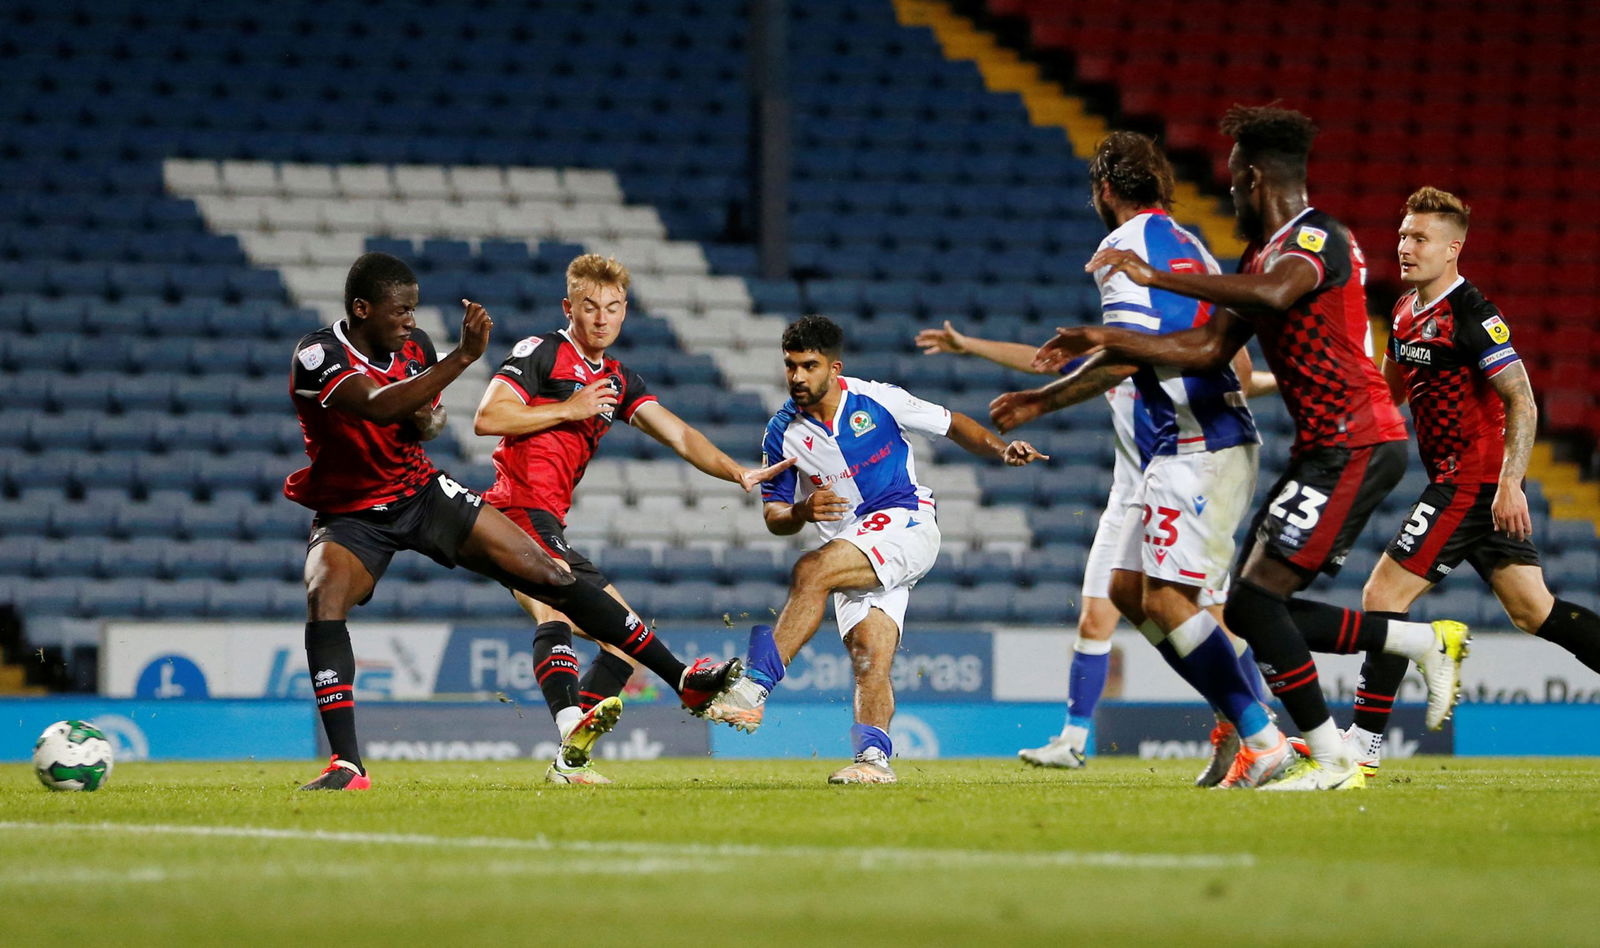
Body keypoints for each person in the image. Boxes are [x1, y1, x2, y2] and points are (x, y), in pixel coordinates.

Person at [1048, 105, 1468, 790]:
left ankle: (1330, 760)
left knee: (1254, 603)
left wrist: (1158, 278)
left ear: (1253, 177)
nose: (1232, 193)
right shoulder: (1258, 258)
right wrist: (1106, 341)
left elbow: (1276, 294)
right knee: (1249, 605)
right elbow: (1211, 349)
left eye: (1236, 180)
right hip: (1322, 448)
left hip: (1360, 438)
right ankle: (1415, 645)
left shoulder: (1317, 239)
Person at [285, 252, 741, 790]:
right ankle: (347, 764)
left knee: (553, 579)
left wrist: (430, 420)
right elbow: (382, 406)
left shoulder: (417, 349)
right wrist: (464, 357)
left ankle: (671, 685)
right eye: (400, 311)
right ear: (361, 309)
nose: (411, 321)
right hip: (352, 511)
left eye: (413, 309)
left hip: (419, 492)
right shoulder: (318, 354)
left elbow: (420, 417)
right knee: (324, 595)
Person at [987, 130, 1292, 788]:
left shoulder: (1121, 249)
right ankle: (1245, 718)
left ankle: (1262, 733)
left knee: (1170, 601)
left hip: (1198, 445)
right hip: (1187, 445)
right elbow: (1216, 346)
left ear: (1103, 191)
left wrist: (1042, 401)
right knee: (1128, 591)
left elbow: (1127, 353)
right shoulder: (1186, 243)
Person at [916, 295, 1276, 783]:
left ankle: (1254, 722)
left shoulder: (1169, 354)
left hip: (1182, 488)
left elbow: (1236, 382)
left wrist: (1283, 384)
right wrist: (970, 345)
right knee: (1097, 615)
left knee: (1206, 618)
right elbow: (1043, 360)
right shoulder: (1116, 356)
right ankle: (1074, 740)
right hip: (1126, 497)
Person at [472, 254, 792, 784]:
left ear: (625, 314)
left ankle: (570, 759)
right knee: (555, 614)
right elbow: (489, 416)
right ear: (568, 307)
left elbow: (679, 434)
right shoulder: (542, 351)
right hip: (515, 508)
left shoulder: (617, 378)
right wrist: (567, 409)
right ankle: (650, 694)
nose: (601, 319)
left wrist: (735, 471)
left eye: (614, 309)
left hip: (548, 518)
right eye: (590, 307)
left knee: (624, 644)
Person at [703, 315, 1046, 784]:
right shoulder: (781, 432)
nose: (797, 377)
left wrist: (1001, 450)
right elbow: (774, 517)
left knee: (811, 571)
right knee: (869, 656)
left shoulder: (876, 398)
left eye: (808, 366)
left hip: (906, 521)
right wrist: (802, 511)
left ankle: (754, 689)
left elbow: (953, 424)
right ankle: (873, 761)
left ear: (834, 367)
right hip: (852, 548)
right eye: (790, 366)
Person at [1327, 187, 1600, 773]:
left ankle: (1363, 745)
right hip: (1465, 483)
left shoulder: (1474, 315)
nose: (1405, 246)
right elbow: (1391, 392)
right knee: (1533, 610)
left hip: (1470, 483)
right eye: (1403, 235)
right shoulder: (1403, 312)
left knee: (1382, 596)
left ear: (1453, 249)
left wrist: (1510, 483)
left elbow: (1522, 402)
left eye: (1419, 238)